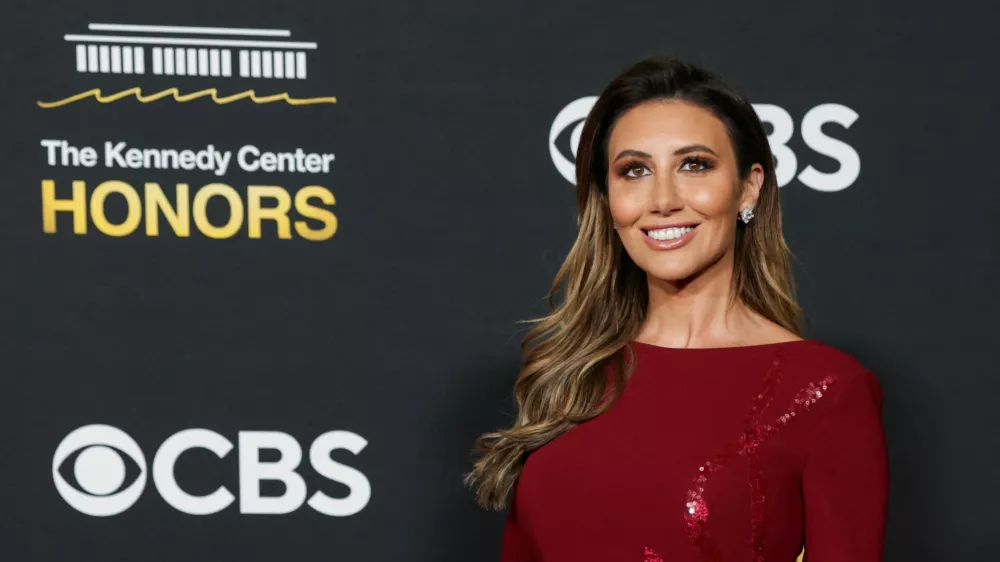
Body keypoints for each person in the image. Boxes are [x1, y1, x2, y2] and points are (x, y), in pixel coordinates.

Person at [465, 55, 889, 562]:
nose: (662, 199)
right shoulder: (572, 372)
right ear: (608, 199)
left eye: (695, 165)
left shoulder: (825, 390)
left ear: (748, 187)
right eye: (635, 171)